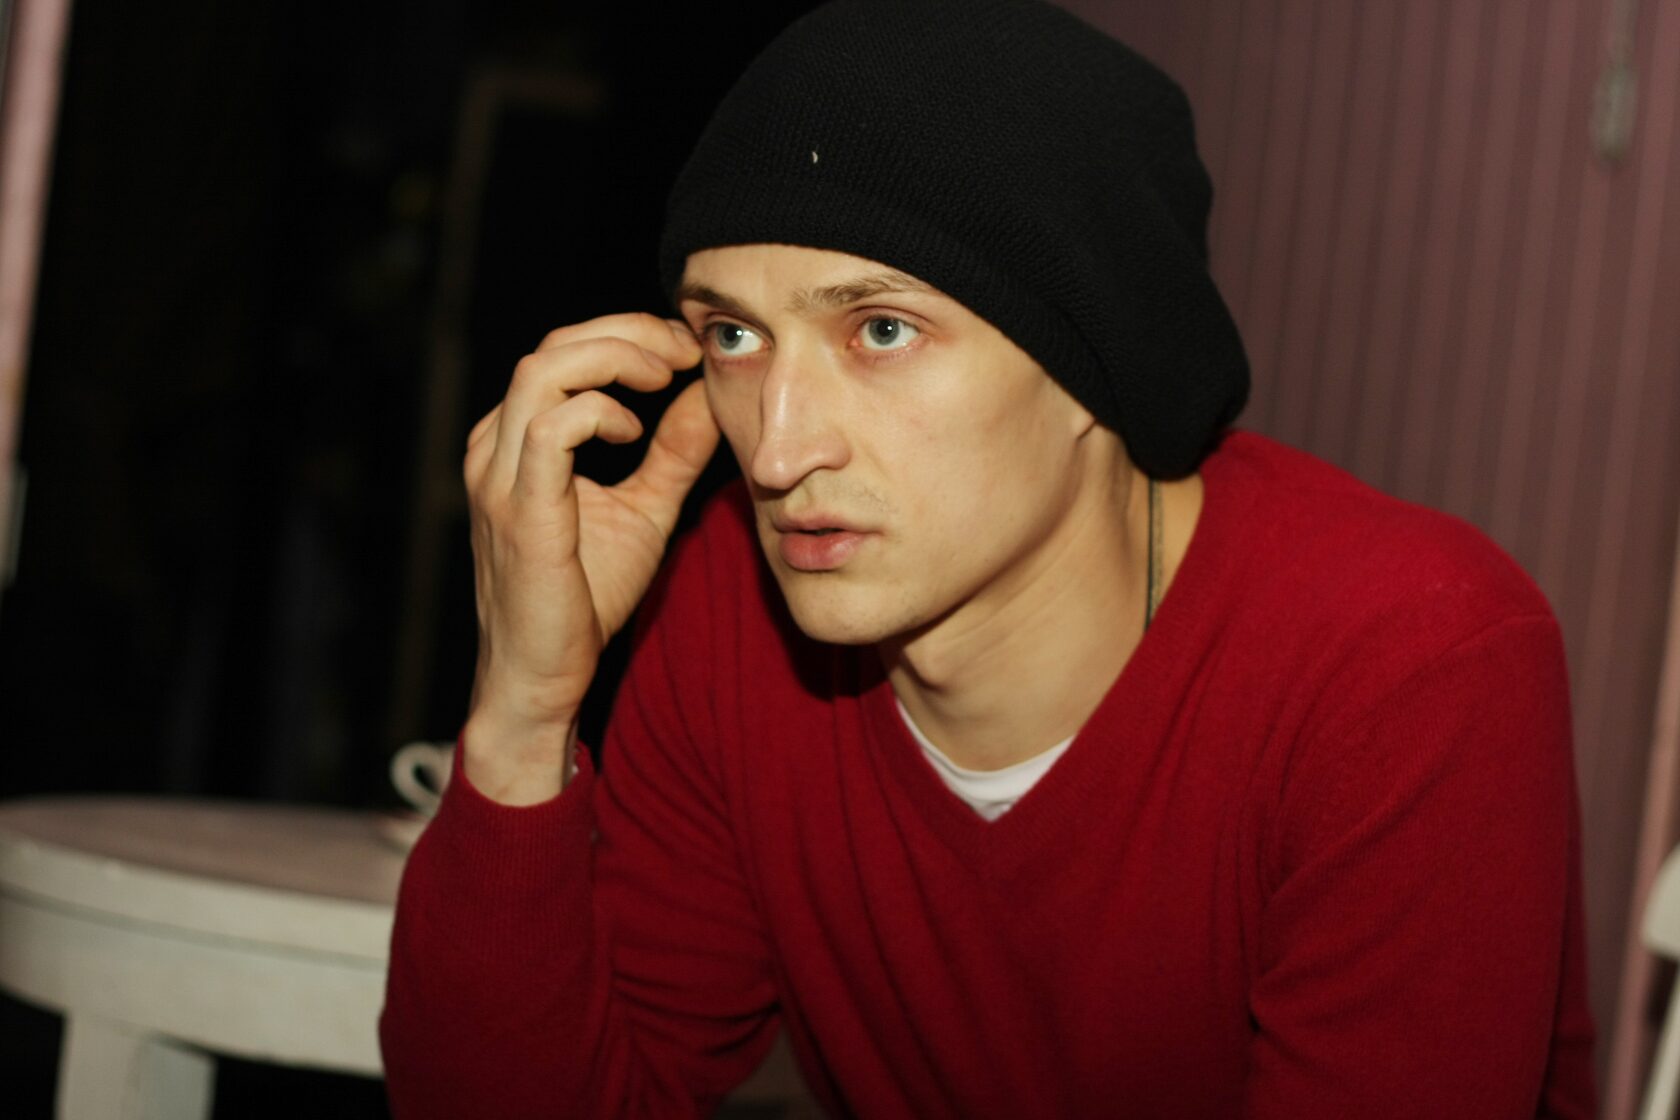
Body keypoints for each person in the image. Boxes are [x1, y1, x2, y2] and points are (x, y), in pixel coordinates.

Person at [380, 1, 1596, 1116]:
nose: (779, 449)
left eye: (882, 328)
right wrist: (524, 708)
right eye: (735, 336)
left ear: (1090, 363)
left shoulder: (1411, 662)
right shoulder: (733, 607)